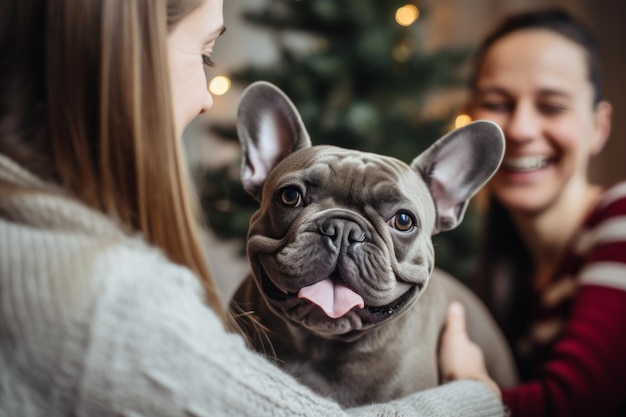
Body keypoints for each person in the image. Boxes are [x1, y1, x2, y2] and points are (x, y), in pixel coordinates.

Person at [0, 1, 504, 415]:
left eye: (399, 221)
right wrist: (476, 395)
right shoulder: (115, 301)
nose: (204, 97)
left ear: (447, 204)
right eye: (204, 53)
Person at [464, 7, 626, 417]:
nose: (519, 129)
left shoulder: (622, 218)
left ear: (599, 126)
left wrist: (462, 385)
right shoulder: (505, 272)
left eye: (552, 106)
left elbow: (577, 407)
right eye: (497, 103)